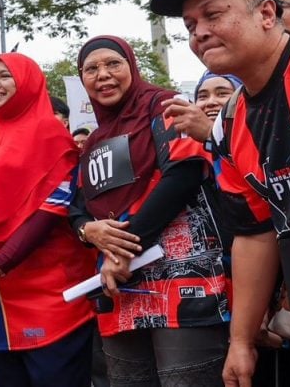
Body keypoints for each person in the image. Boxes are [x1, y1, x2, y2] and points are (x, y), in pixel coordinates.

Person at [147, 0, 290, 385]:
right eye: (190, 25)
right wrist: (241, 341)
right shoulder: (231, 122)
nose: (198, 33)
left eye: (212, 14)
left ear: (266, 14)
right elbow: (254, 232)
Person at [69, 35, 230, 387]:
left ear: (132, 65)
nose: (103, 75)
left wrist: (127, 246)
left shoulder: (163, 106)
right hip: (119, 287)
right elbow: (77, 208)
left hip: (181, 285)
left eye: (113, 64)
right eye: (91, 69)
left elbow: (184, 172)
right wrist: (87, 231)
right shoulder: (95, 140)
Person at [0, 53, 95, 386]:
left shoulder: (52, 137)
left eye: (5, 76)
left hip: (49, 297)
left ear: (27, 82)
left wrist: (3, 261)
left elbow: (51, 210)